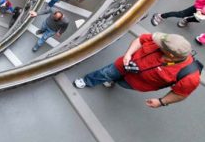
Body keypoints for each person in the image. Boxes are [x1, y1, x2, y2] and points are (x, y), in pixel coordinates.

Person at [73, 32, 202, 108]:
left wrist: (161, 102)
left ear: (171, 55)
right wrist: (129, 54)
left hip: (136, 82)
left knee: (120, 82)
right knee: (106, 73)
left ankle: (114, 81)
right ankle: (88, 81)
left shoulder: (190, 77)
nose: (156, 40)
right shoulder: (165, 41)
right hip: (124, 64)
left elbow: (180, 94)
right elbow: (141, 39)